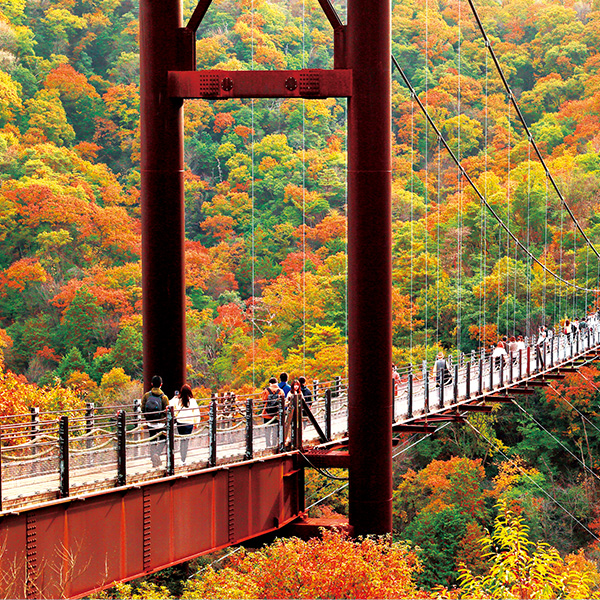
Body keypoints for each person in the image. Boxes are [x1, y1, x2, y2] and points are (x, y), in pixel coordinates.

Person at [169, 383, 200, 465]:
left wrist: (174, 397)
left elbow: (170, 404)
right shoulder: (192, 401)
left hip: (180, 422)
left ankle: (182, 457)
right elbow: (196, 412)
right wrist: (196, 423)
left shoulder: (177, 401)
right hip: (189, 423)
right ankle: (183, 458)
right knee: (186, 441)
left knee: (182, 440)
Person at [142, 375, 169, 467]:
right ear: (161, 384)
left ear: (152, 384)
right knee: (163, 439)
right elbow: (167, 411)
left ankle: (154, 461)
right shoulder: (164, 397)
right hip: (161, 423)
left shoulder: (146, 395)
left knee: (152, 440)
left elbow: (142, 409)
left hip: (150, 423)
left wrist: (148, 417)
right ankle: (157, 453)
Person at [261, 378, 285, 447]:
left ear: (270, 383)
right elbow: (283, 400)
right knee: (275, 430)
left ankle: (268, 445)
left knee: (267, 431)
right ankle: (274, 444)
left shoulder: (266, 390)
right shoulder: (280, 391)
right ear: (277, 383)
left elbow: (263, 400)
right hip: (277, 414)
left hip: (267, 413)